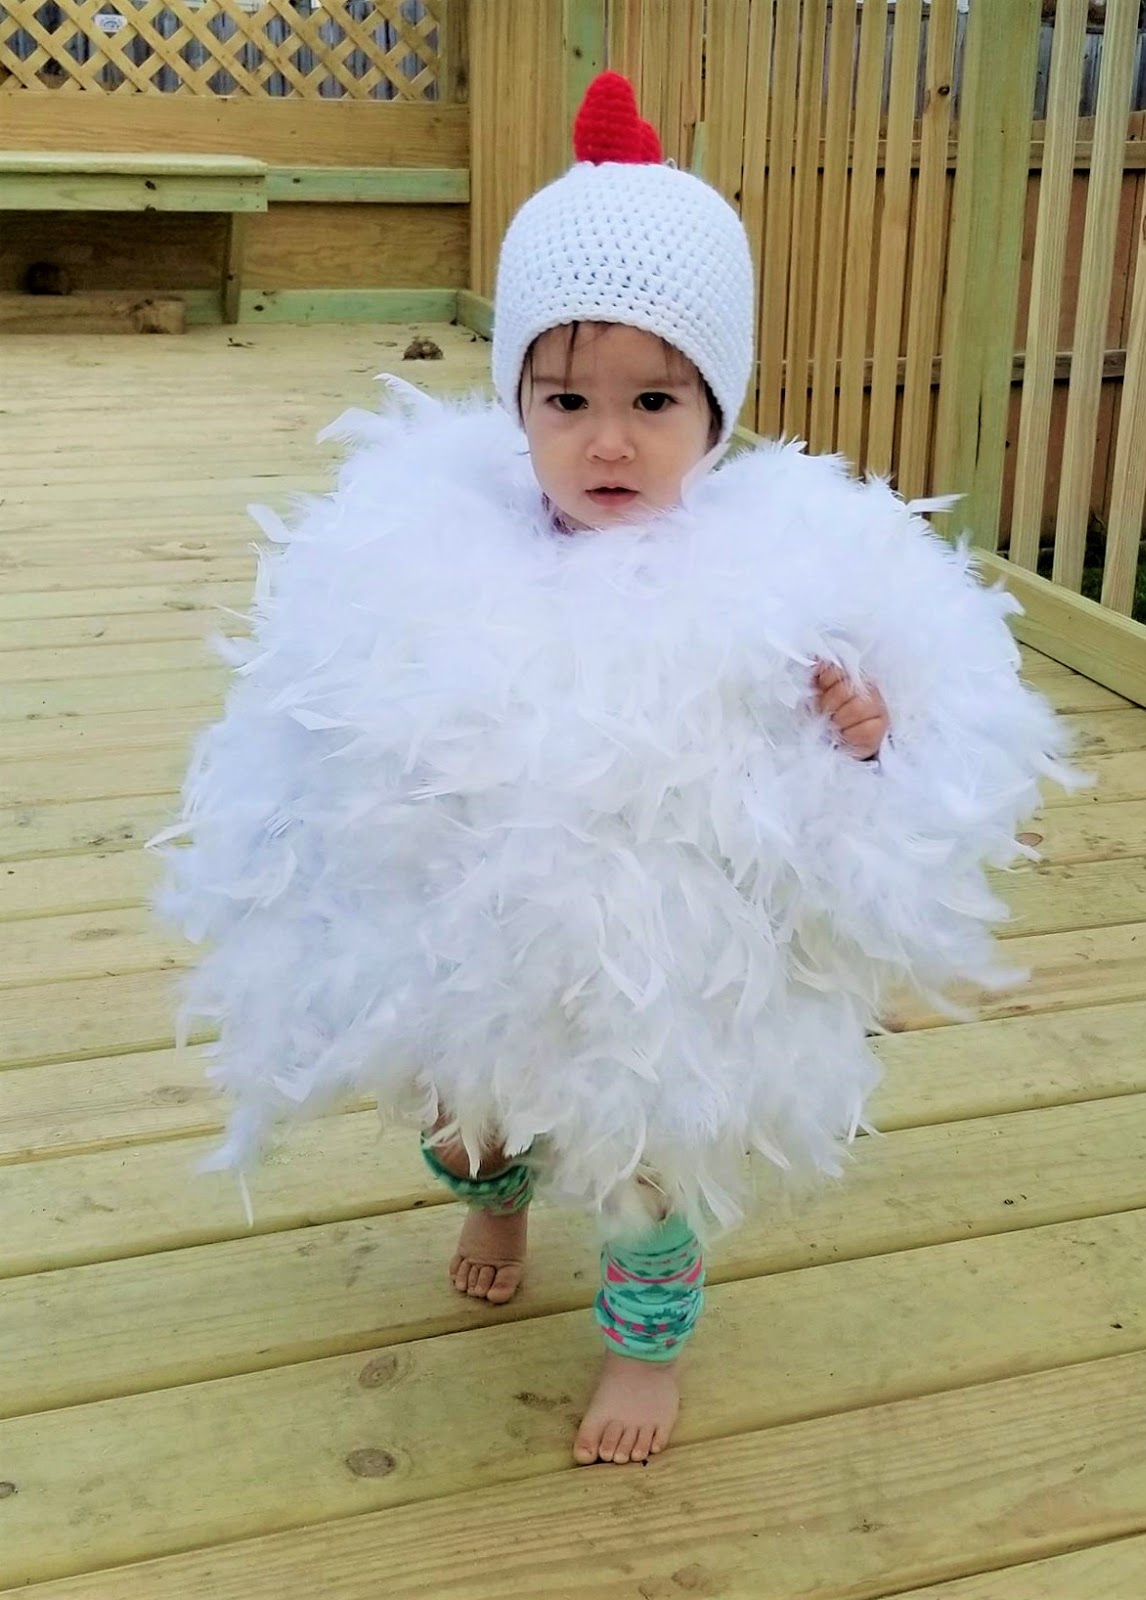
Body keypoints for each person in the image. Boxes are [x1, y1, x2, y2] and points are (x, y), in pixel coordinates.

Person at [154, 73, 1078, 1471]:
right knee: (470, 1112)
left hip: (669, 957)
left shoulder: (780, 587)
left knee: (651, 1162)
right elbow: (330, 731)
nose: (607, 438)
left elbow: (888, 794)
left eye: (655, 398)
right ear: (513, 397)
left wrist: (865, 736)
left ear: (718, 411)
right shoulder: (427, 560)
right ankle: (496, 1196)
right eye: (565, 395)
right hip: (482, 934)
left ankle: (644, 1348)